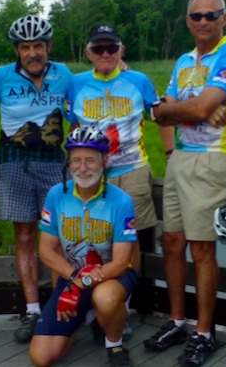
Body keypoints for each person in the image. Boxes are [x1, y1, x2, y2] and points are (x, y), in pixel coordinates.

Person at [147, 0, 226, 366]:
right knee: (172, 241)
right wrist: (184, 111)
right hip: (181, 157)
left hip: (213, 159)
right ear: (188, 21)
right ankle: (177, 321)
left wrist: (183, 110)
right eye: (196, 16)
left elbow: (201, 106)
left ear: (224, 18)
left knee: (202, 248)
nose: (204, 21)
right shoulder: (183, 60)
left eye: (211, 15)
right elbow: (158, 114)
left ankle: (204, 332)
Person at [66, 24, 174, 337]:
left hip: (132, 170)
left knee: (133, 241)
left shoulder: (138, 80)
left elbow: (160, 117)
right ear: (88, 53)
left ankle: (121, 308)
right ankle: (95, 304)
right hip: (91, 176)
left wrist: (169, 155)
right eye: (98, 49)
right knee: (94, 239)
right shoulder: (76, 83)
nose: (105, 54)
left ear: (121, 51)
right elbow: (74, 128)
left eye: (111, 48)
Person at [0, 15, 71, 344]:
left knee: (57, 238)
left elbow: (91, 93)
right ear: (17, 50)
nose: (32, 53)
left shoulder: (63, 74)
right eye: (25, 47)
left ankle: (58, 307)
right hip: (14, 164)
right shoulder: (2, 77)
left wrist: (121, 66)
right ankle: (32, 310)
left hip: (54, 163)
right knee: (25, 235)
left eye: (37, 46)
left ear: (48, 47)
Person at [28, 126, 138, 367]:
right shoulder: (57, 195)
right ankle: (87, 317)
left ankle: (114, 344)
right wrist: (75, 278)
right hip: (73, 275)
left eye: (90, 160)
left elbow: (121, 262)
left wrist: (79, 285)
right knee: (42, 357)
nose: (83, 167)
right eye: (76, 161)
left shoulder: (121, 201)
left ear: (105, 161)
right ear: (68, 163)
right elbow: (46, 250)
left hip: (112, 276)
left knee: (105, 297)